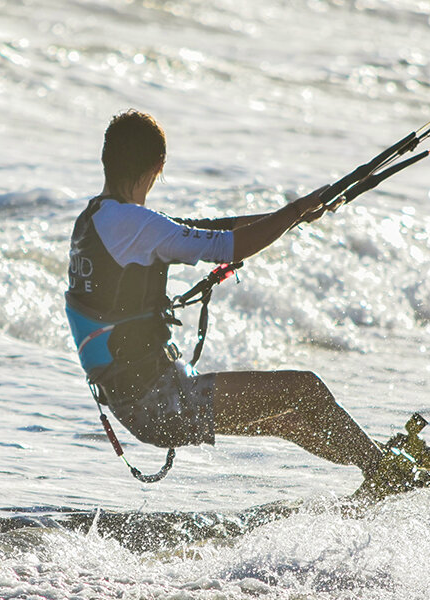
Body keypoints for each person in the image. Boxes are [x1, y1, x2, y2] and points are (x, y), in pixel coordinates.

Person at [65, 109, 387, 487]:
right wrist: (296, 207)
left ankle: (380, 462)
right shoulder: (132, 224)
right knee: (305, 390)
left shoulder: (96, 219)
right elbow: (229, 245)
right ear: (160, 165)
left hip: (139, 402)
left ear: (106, 160)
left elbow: (204, 230)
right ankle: (386, 473)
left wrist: (292, 217)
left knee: (287, 417)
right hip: (159, 401)